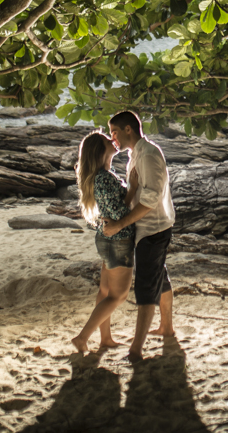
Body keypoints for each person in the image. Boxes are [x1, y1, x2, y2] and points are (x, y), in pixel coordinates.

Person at [101, 110, 175, 361]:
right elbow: (136, 195)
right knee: (159, 277)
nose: (113, 139)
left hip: (153, 229)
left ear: (128, 130)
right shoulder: (135, 155)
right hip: (146, 228)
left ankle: (136, 349)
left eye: (114, 132)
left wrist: (120, 225)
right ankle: (166, 327)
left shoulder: (149, 155)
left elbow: (151, 200)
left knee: (145, 288)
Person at [71, 131, 139, 354]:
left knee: (105, 291)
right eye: (107, 140)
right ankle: (82, 338)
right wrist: (134, 188)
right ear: (100, 151)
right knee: (118, 295)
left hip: (106, 239)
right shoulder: (104, 178)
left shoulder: (101, 176)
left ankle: (105, 339)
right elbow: (121, 213)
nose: (113, 141)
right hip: (117, 241)